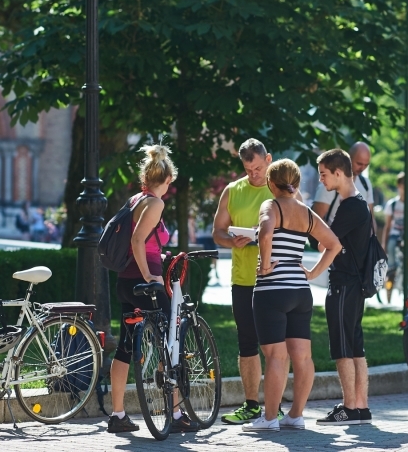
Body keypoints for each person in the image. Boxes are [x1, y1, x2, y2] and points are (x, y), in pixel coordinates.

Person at [107, 144, 199, 435]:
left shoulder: (135, 200)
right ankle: (175, 413)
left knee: (125, 347)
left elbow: (140, 242)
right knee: (171, 340)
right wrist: (150, 275)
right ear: (168, 180)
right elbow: (137, 241)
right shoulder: (155, 204)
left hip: (125, 282)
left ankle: (118, 415)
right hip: (145, 284)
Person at [243, 159, 340, 432]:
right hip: (300, 291)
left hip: (272, 289)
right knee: (303, 358)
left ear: (271, 183)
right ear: (295, 183)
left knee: (275, 356)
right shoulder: (306, 212)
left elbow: (265, 233)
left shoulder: (271, 206)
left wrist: (265, 265)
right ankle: (295, 415)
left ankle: (269, 419)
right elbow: (334, 244)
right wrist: (312, 273)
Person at [212, 138, 279, 425]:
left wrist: (264, 233)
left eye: (257, 168)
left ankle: (275, 406)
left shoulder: (280, 188)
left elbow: (299, 225)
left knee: (276, 345)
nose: (253, 174)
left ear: (268, 159)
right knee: (247, 343)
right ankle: (251, 404)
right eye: (248, 170)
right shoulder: (232, 190)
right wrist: (232, 241)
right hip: (242, 279)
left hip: (274, 277)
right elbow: (217, 231)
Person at [315, 148, 374, 426]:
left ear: (338, 173)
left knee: (342, 348)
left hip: (343, 285)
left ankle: (349, 407)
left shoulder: (350, 206)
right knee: (355, 347)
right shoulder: (359, 203)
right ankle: (361, 407)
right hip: (355, 285)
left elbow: (327, 243)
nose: (321, 180)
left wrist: (312, 272)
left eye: (324, 175)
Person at [382, 172, 408, 300]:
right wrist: (384, 243)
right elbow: (387, 226)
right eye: (402, 184)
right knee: (392, 266)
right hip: (395, 235)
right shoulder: (392, 204)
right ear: (398, 185)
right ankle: (388, 292)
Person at [312, 142, 375, 227]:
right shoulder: (331, 182)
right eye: (359, 163)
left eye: (366, 165)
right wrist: (333, 235)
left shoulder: (366, 184)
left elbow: (371, 219)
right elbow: (316, 219)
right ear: (349, 158)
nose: (362, 168)